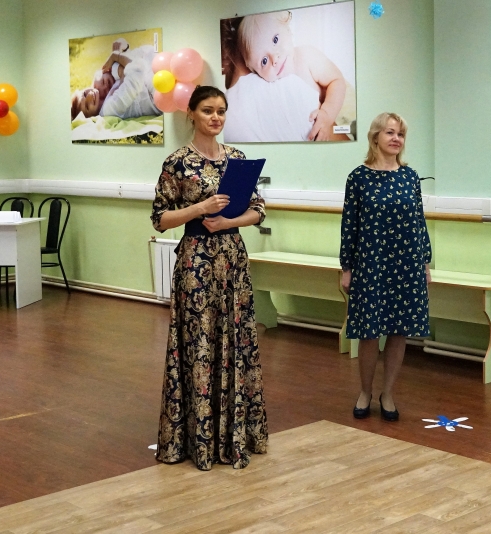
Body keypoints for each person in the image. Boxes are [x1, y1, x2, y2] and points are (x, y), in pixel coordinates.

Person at [151, 86, 268, 470]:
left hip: (232, 259)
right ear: (191, 113)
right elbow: (160, 219)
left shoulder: (237, 159)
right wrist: (199, 208)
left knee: (236, 340)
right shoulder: (177, 163)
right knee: (199, 343)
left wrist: (230, 221)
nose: (216, 117)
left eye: (221, 111)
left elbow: (258, 210)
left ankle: (236, 435)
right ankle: (197, 439)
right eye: (207, 110)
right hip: (196, 262)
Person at [340, 112, 431, 422]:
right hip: (371, 263)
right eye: (390, 132)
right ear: (375, 137)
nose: (396, 138)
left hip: (407, 263)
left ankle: (388, 393)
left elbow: (419, 222)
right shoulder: (358, 177)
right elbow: (349, 225)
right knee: (369, 332)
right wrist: (347, 267)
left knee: (399, 331)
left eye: (401, 134)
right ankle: (365, 391)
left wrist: (425, 262)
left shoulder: (410, 177)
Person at [236, 11, 346, 141]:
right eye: (264, 61)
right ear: (255, 71)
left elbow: (337, 80)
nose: (274, 58)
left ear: (288, 29)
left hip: (335, 116)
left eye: (275, 40)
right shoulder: (269, 88)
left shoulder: (306, 56)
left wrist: (327, 114)